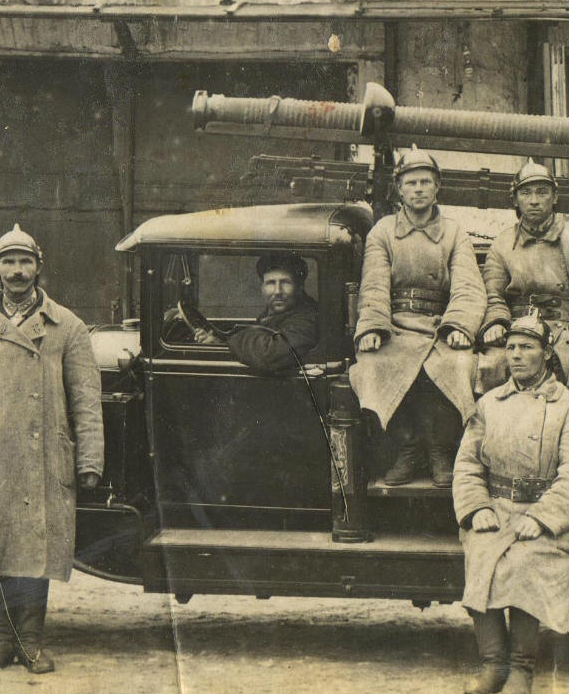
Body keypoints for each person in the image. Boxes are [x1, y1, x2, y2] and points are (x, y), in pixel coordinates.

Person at [0, 224, 105, 673]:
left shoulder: (67, 326)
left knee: (34, 550)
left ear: (38, 267)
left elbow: (86, 400)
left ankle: (30, 642)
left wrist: (89, 459)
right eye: (8, 262)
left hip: (43, 454)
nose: (17, 271)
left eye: (25, 262)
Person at [452, 315, 569, 694]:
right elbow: (467, 466)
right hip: (497, 509)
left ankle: (521, 667)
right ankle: (493, 665)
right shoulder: (489, 403)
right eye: (511, 347)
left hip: (549, 516)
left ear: (547, 354)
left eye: (527, 347)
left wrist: (543, 518)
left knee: (524, 563)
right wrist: (477, 509)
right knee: (482, 555)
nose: (516, 355)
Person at [352, 147, 486, 488]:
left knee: (457, 364)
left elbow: (468, 286)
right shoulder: (383, 231)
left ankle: (441, 450)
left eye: (426, 182)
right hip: (396, 325)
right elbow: (374, 285)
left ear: (437, 186)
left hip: (439, 324)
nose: (419, 189)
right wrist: (373, 326)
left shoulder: (454, 233)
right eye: (411, 183)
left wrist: (459, 326)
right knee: (374, 363)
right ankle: (408, 448)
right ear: (399, 189)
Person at [476, 161, 569, 393]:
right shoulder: (502, 243)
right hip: (517, 328)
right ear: (515, 200)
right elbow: (493, 295)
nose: (534, 200)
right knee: (491, 365)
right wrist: (496, 323)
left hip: (564, 327)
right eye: (526, 193)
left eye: (542, 192)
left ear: (555, 197)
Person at [187, 252, 322, 376]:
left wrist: (229, 341)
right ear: (262, 288)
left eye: (285, 282)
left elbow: (269, 354)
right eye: (270, 283)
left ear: (299, 286)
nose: (277, 291)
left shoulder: (308, 318)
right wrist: (218, 343)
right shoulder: (275, 314)